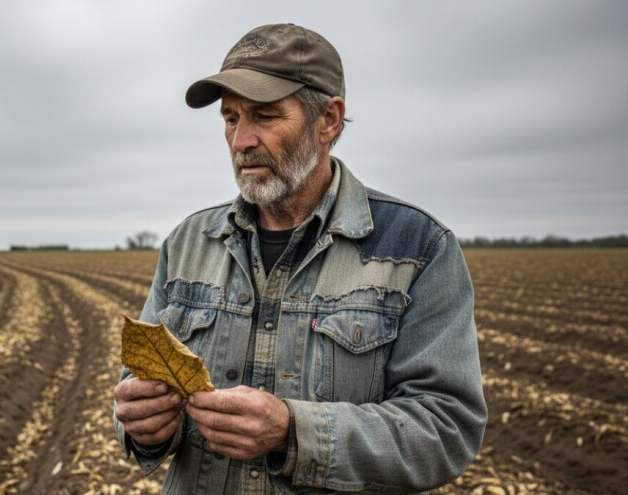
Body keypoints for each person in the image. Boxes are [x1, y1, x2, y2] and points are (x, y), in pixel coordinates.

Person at [113, 23, 487, 494]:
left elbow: (446, 430)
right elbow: (137, 393)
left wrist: (293, 431)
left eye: (264, 116)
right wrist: (141, 425)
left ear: (328, 120)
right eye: (231, 119)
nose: (240, 140)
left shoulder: (417, 249)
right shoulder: (188, 243)